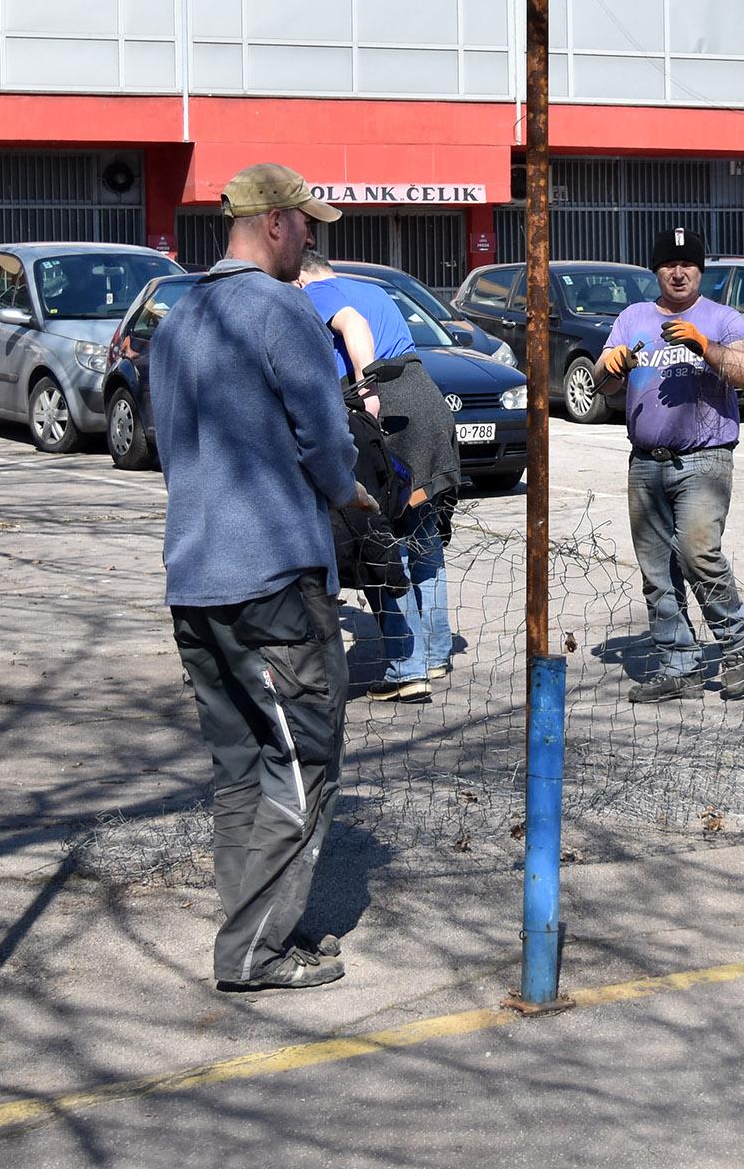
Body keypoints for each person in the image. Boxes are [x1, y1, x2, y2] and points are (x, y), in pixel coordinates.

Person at [155, 163, 375, 993]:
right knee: (303, 757)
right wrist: (348, 491)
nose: (312, 239)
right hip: (273, 578)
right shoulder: (281, 308)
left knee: (242, 765)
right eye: (307, 224)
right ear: (276, 221)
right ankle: (254, 951)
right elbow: (326, 443)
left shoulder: (181, 315)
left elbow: (172, 449)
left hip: (196, 575)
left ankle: (250, 928)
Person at [594, 227, 744, 703]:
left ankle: (734, 646)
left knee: (697, 554)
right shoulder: (633, 318)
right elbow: (599, 382)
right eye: (669, 264)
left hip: (705, 459)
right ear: (656, 271)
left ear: (700, 270)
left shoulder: (722, 319)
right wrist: (615, 367)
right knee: (656, 570)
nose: (678, 271)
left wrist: (702, 345)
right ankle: (679, 666)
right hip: (646, 463)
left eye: (687, 264)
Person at [299, 249, 461, 704]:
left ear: (301, 277)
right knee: (423, 539)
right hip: (427, 404)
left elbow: (353, 326)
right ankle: (433, 653)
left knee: (379, 542)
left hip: (388, 412)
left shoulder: (317, 291)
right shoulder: (371, 288)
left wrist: (366, 390)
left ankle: (406, 667)